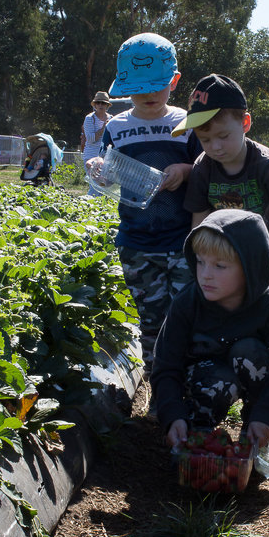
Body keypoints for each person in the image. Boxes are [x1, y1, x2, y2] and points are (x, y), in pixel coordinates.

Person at [172, 73, 269, 423]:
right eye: (205, 138)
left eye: (223, 135)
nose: (215, 146)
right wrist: (206, 261)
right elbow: (198, 221)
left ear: (245, 123)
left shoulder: (265, 163)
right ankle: (222, 384)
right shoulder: (203, 169)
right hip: (226, 262)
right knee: (227, 323)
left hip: (268, 260)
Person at [89, 32, 202, 377]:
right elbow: (109, 172)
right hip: (137, 242)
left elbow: (209, 169)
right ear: (124, 88)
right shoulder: (117, 127)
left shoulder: (188, 123)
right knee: (151, 320)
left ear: (174, 82)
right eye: (138, 88)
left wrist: (185, 170)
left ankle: (191, 387)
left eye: (157, 85)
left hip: (184, 240)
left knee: (188, 317)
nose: (149, 94)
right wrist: (100, 171)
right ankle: (161, 389)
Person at [150, 208, 269, 448]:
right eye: (200, 262)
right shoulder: (186, 303)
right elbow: (166, 366)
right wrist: (172, 415)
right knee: (218, 379)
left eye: (220, 266)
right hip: (203, 379)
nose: (206, 275)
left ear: (249, 267)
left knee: (252, 351)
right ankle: (197, 431)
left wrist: (265, 418)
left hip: (250, 373)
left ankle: (253, 434)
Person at [82, 91, 112, 195]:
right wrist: (103, 129)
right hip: (90, 157)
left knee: (104, 187)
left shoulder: (111, 119)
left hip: (105, 159)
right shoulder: (90, 118)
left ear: (107, 105)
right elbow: (90, 139)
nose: (100, 105)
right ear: (94, 105)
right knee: (95, 187)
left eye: (103, 103)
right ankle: (87, 206)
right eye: (98, 103)